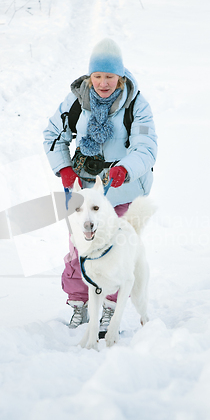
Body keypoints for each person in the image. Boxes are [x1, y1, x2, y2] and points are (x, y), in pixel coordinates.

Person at [43, 38, 157, 335]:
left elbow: (146, 147)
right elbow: (54, 134)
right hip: (86, 190)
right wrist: (64, 167)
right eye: (97, 76)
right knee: (78, 247)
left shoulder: (137, 105)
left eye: (109, 77)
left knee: (115, 250)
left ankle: (109, 308)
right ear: (89, 76)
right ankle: (80, 303)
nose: (103, 83)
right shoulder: (76, 100)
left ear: (120, 77)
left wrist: (124, 169)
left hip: (122, 189)